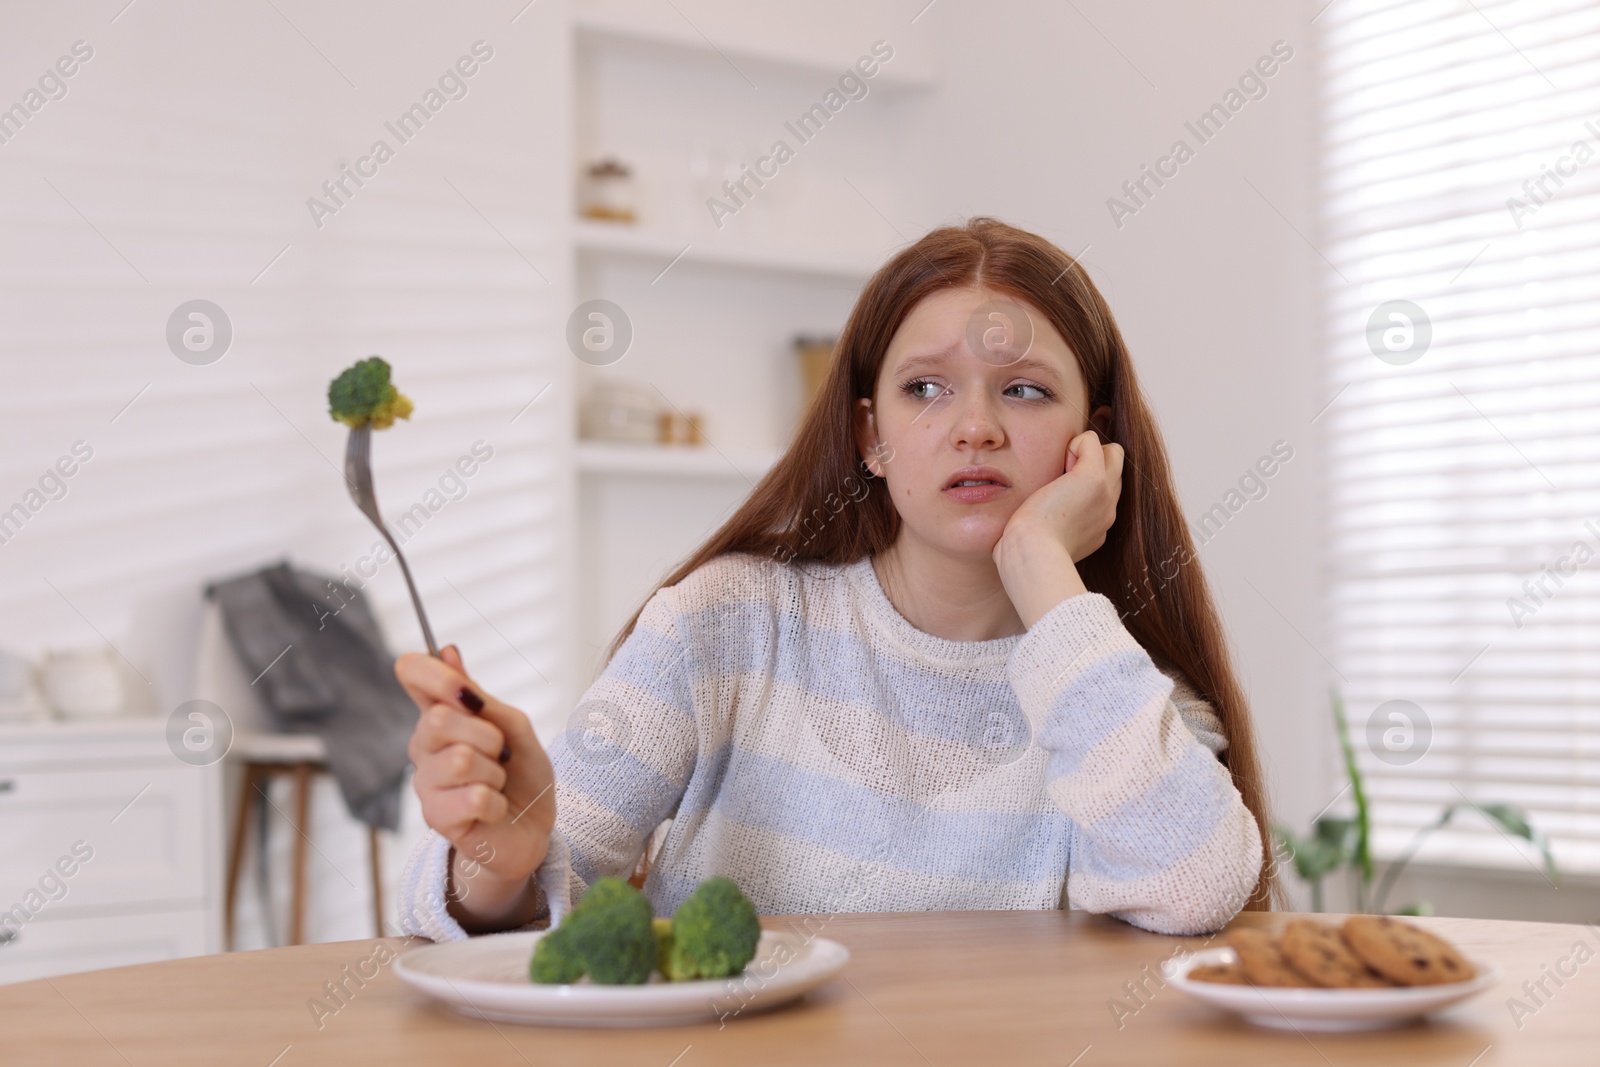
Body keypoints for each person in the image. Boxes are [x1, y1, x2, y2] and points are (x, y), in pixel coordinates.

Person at [394, 217, 1274, 942]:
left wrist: (1044, 565)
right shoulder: (726, 624)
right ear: (868, 435)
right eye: (926, 387)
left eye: (1027, 392)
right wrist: (496, 870)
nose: (975, 427)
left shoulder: (1120, 701)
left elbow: (1195, 886)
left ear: (1098, 445)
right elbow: (516, 904)